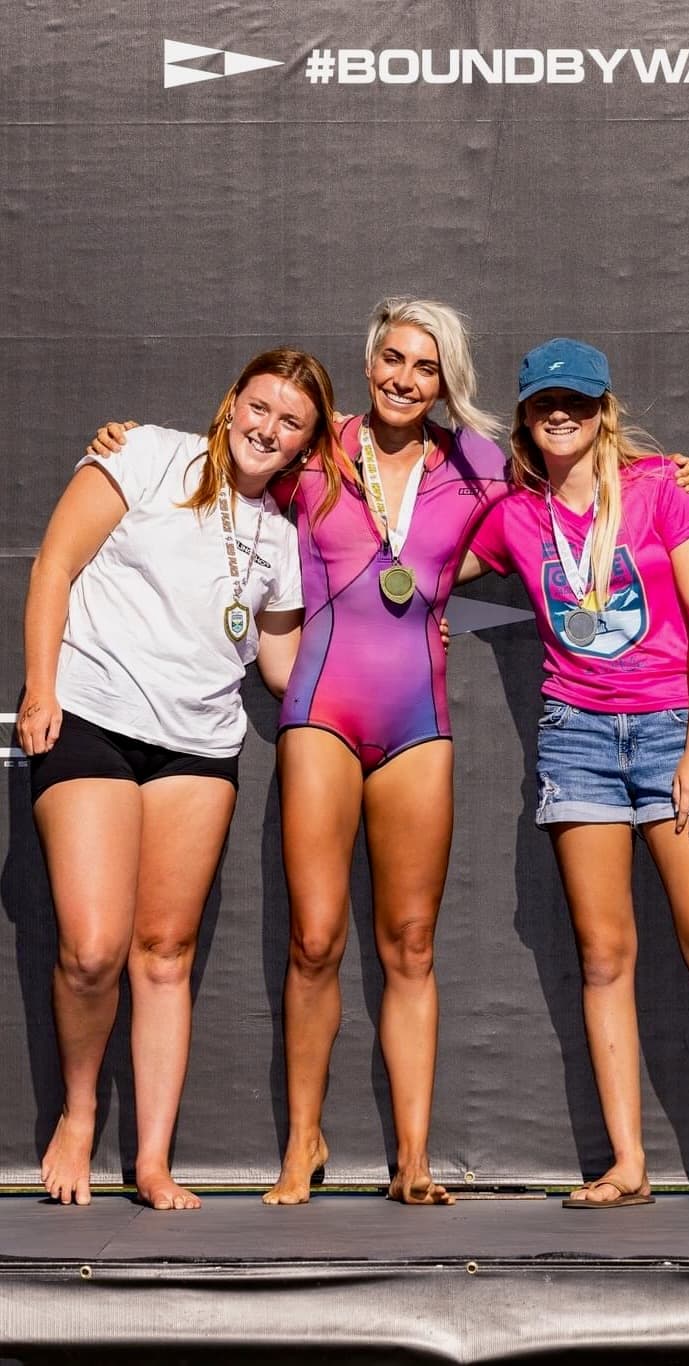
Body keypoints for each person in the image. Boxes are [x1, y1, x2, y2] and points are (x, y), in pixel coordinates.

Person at [88, 305, 689, 1206]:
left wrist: (663, 471)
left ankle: (412, 1158)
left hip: (418, 721)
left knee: (411, 943)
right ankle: (303, 1145)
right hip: (319, 712)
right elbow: (234, 449)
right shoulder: (318, 445)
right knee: (313, 939)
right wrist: (134, 437)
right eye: (392, 358)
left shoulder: (477, 463)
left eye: (425, 366)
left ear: (447, 381)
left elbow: (577, 470)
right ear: (370, 361)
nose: (404, 378)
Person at [19, 347, 344, 1209]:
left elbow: (278, 665)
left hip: (198, 745)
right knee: (91, 949)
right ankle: (79, 1113)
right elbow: (52, 565)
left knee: (163, 956)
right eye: (260, 407)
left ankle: (152, 1161)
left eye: (291, 424)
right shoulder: (144, 453)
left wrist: (391, 641)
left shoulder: (279, 537)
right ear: (232, 399)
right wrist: (42, 689)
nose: (267, 430)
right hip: (86, 714)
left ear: (307, 445)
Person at [463, 337, 689, 1209]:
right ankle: (627, 1167)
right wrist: (426, 616)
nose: (563, 414)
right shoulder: (515, 514)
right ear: (526, 415)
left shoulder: (663, 489)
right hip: (576, 739)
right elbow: (432, 559)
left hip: (674, 731)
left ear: (603, 408)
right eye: (546, 402)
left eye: (580, 401)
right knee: (604, 958)